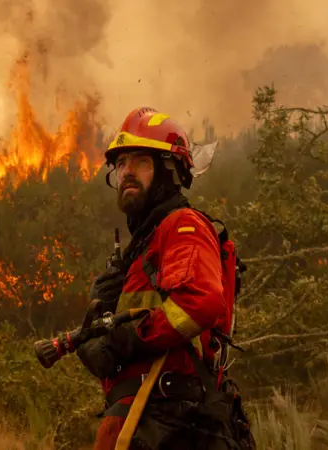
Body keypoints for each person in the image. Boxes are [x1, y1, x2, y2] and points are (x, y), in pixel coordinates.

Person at [77, 107, 246, 449]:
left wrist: (126, 339)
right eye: (121, 164)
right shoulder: (145, 247)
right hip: (142, 419)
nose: (126, 172)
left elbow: (199, 303)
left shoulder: (183, 224)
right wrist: (97, 329)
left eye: (140, 161)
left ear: (170, 170)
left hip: (175, 424)